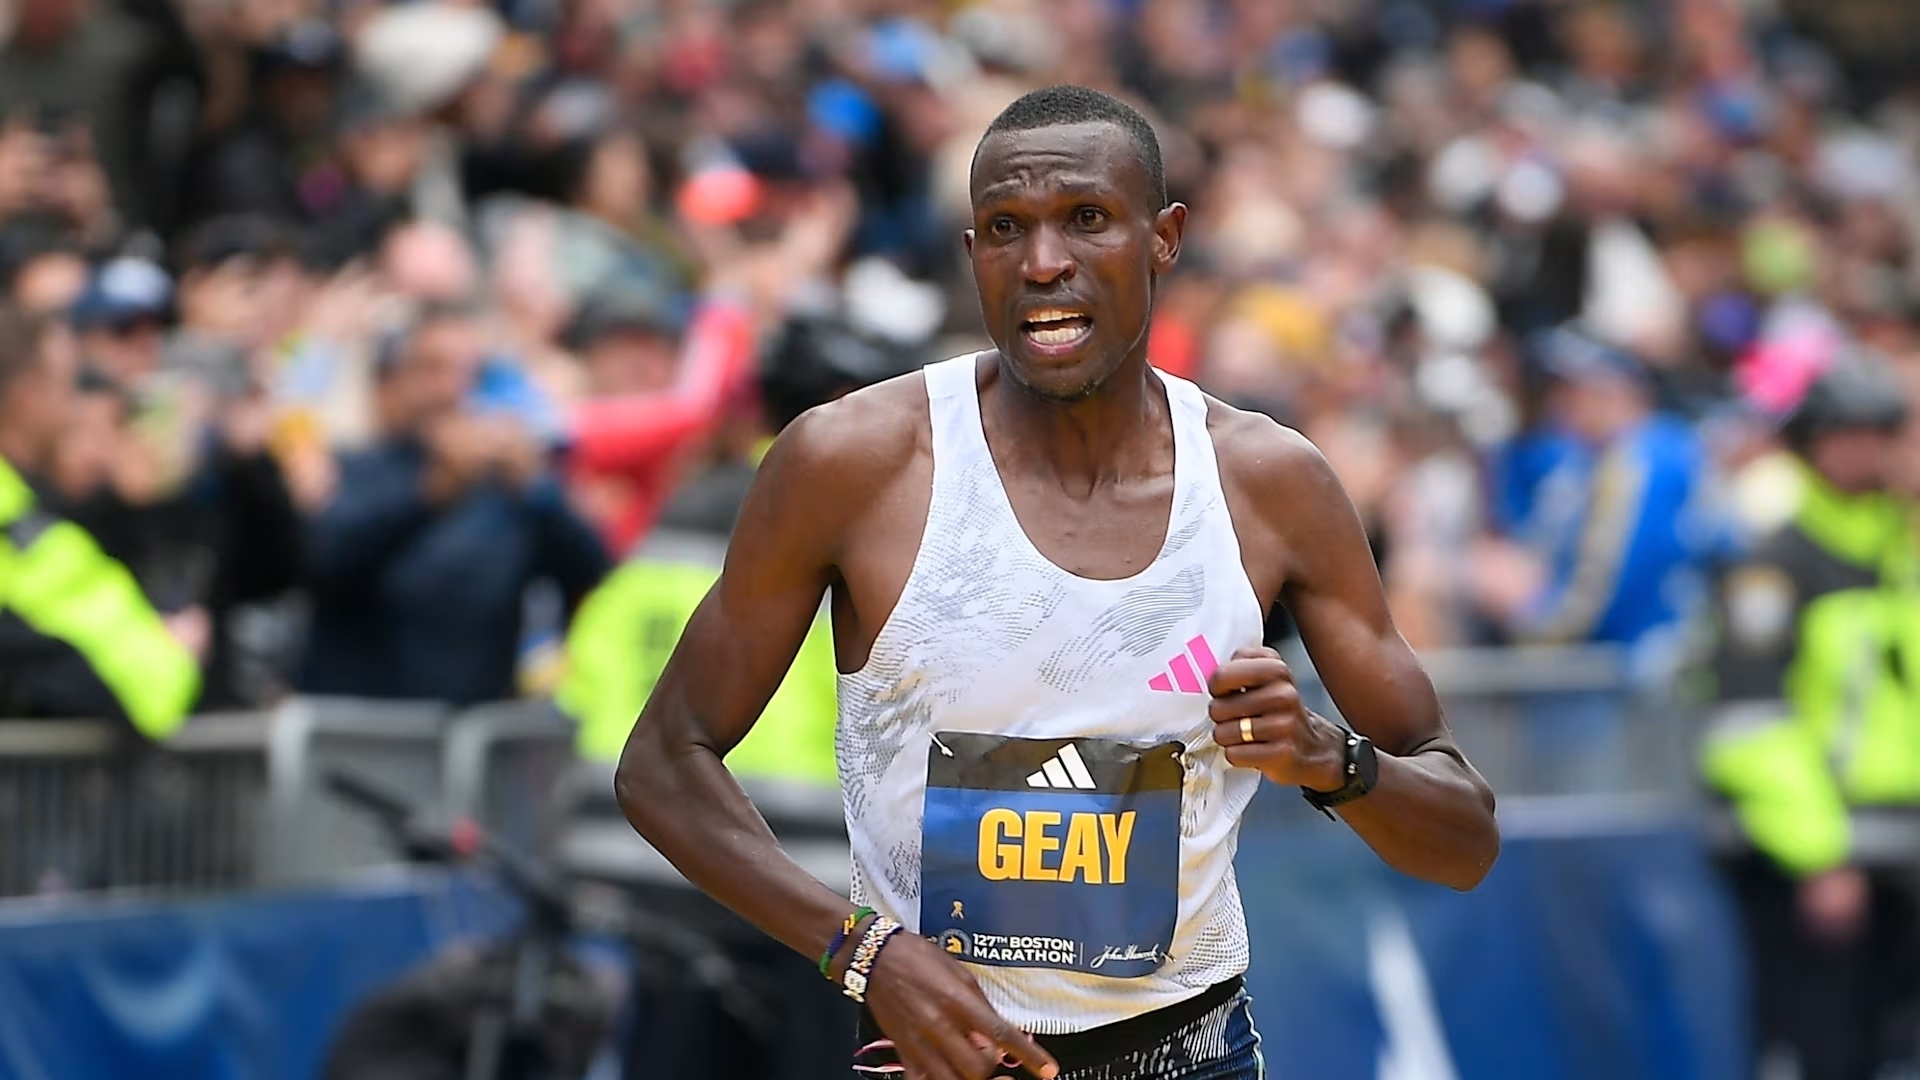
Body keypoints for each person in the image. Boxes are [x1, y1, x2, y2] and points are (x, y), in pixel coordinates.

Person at [615, 85, 1498, 1080]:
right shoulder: (855, 463)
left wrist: (1332, 758)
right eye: (1006, 228)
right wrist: (863, 951)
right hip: (937, 1058)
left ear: (1164, 239)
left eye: (1086, 220)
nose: (1042, 263)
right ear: (972, 253)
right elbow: (661, 763)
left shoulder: (1269, 484)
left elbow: (1464, 840)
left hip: (1193, 1054)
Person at [1702, 359, 1920, 1080]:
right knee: (1826, 1054)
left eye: (1883, 434)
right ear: (1814, 447)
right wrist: (1821, 854)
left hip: (1903, 856)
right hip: (1816, 862)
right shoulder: (1774, 567)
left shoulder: (1902, 557)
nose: (1875, 452)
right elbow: (1752, 729)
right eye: (1853, 436)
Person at [297, 305, 608, 705]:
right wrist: (429, 494)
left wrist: (538, 489)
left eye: (469, 373)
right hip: (357, 737)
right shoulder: (356, 470)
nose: (451, 390)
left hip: (474, 743)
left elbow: (594, 575)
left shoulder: (509, 492)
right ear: (393, 381)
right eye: (431, 369)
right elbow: (324, 559)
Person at [0, 304, 199, 736]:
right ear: (26, 394)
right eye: (65, 386)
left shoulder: (29, 506)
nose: (73, 409)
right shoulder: (15, 512)